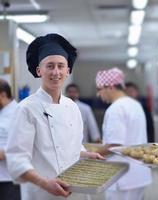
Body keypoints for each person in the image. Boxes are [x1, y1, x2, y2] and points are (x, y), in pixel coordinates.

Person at [6, 33, 103, 200]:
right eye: (49, 66)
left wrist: (86, 154)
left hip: (76, 191)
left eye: (60, 66)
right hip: (42, 193)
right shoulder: (26, 109)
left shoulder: (72, 107)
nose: (56, 72)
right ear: (39, 70)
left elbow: (70, 145)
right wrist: (45, 183)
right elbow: (16, 159)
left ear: (68, 70)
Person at [95, 67, 152, 200]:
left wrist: (90, 154)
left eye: (99, 89)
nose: (98, 94)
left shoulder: (116, 109)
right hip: (139, 173)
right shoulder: (135, 105)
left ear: (110, 87)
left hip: (123, 177)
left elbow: (114, 145)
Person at [0, 79, 20, 200]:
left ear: (3, 94)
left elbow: (21, 147)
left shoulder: (18, 113)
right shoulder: (2, 112)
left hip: (10, 180)